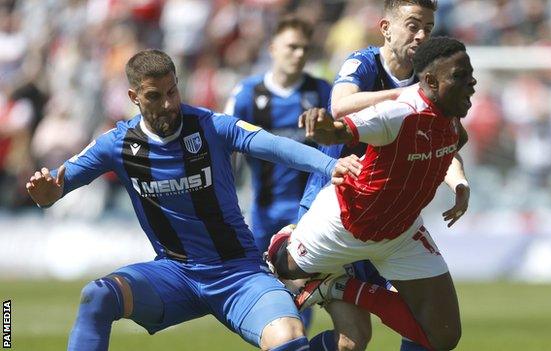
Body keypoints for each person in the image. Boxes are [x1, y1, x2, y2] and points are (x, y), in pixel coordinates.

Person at [25, 49, 361, 351]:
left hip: (238, 273)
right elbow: (56, 185)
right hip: (175, 276)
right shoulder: (117, 144)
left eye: (172, 91)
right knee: (98, 295)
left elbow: (276, 146)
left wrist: (331, 164)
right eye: (155, 96)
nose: (168, 104)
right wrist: (46, 193)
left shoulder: (211, 126)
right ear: (134, 97)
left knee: (289, 336)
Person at [267, 37, 477, 351]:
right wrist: (321, 125)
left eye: (470, 73)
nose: (472, 82)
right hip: (347, 221)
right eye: (461, 76)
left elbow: (446, 148)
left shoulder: (452, 120)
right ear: (431, 81)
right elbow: (340, 130)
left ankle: (336, 286)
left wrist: (459, 184)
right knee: (284, 265)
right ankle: (286, 239)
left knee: (443, 336)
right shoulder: (397, 113)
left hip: (401, 232)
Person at [224, 16, 331, 265]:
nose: (299, 54)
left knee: (301, 287)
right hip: (263, 210)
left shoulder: (321, 92)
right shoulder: (247, 95)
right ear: (272, 49)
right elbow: (225, 149)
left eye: (305, 48)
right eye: (292, 47)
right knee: (262, 281)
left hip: (308, 210)